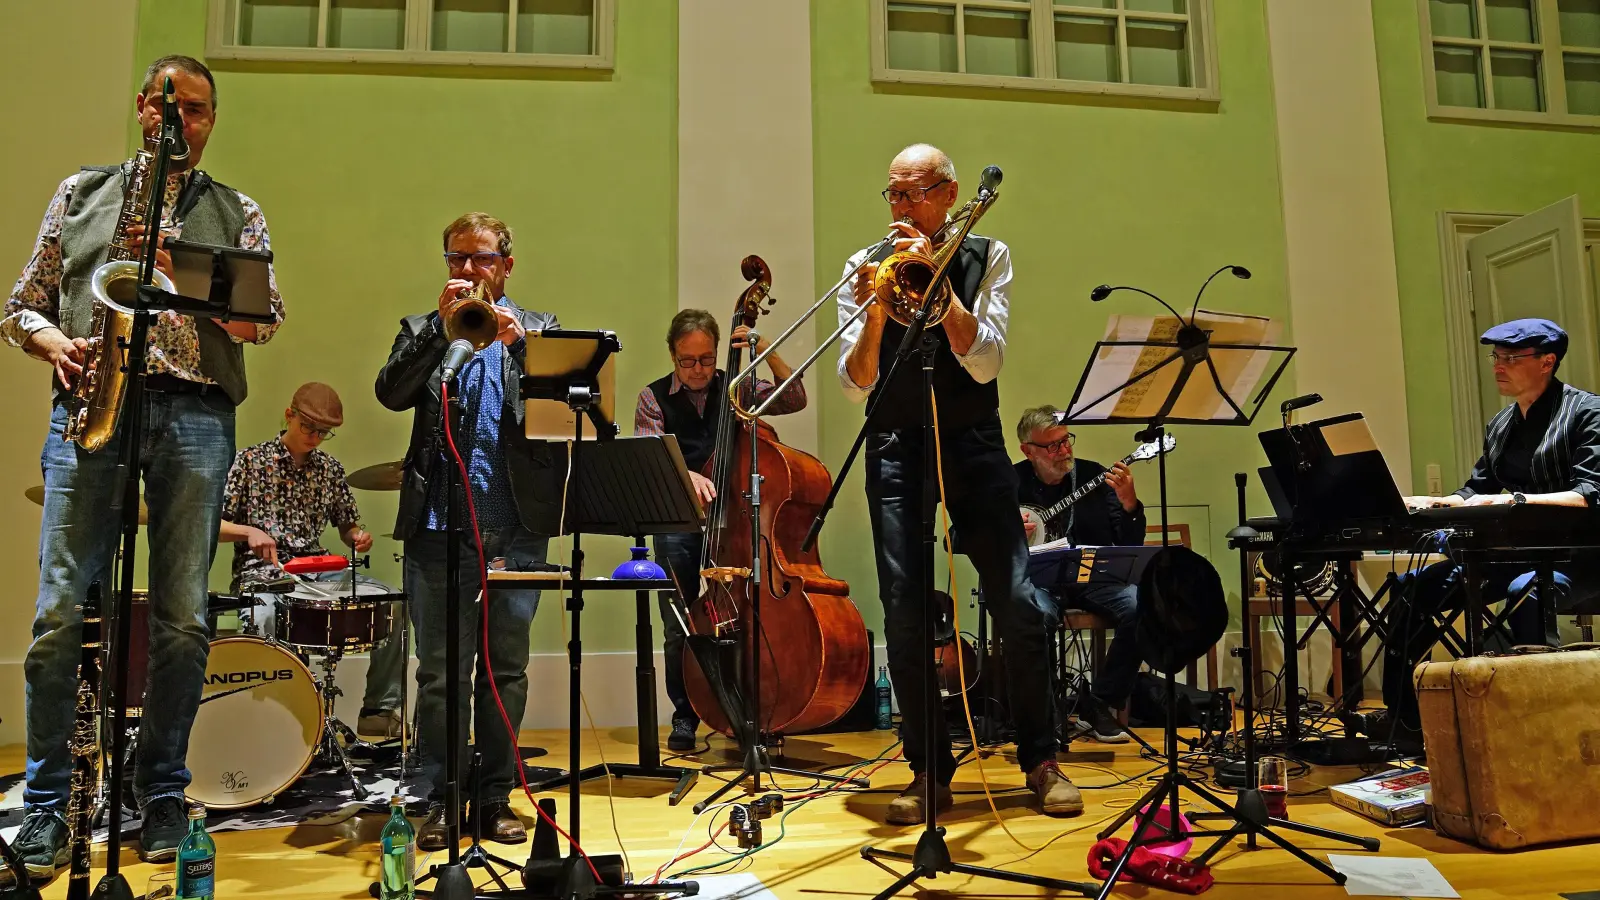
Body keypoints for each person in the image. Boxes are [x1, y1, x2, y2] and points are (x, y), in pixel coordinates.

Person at [1, 55, 283, 877]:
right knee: (59, 612)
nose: (180, 122)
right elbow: (21, 307)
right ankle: (48, 804)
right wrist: (54, 342)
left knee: (183, 617)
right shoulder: (81, 193)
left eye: (196, 110)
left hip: (196, 412)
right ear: (142, 109)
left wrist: (182, 265)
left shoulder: (237, 210)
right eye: (169, 106)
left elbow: (264, 319)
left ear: (211, 121)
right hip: (93, 402)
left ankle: (161, 788)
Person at [835, 144, 1081, 825]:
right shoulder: (864, 266)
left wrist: (941, 298)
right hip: (894, 442)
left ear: (948, 194)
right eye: (893, 193)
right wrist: (876, 314)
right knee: (905, 612)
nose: (900, 206)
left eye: (913, 193)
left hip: (972, 440)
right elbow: (854, 385)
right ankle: (929, 771)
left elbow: (986, 362)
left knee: (1018, 600)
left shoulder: (988, 254)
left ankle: (1041, 758)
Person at [375, 212, 562, 851]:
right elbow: (391, 393)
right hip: (436, 527)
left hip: (516, 531)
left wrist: (519, 347)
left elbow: (565, 408)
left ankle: (495, 798)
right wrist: (438, 329)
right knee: (439, 675)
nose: (467, 269)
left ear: (506, 265)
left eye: (480, 258)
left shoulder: (540, 329)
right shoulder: (422, 329)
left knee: (504, 670)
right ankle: (443, 799)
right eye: (456, 257)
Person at [1375, 318, 1600, 751]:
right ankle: (1405, 722)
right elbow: (1476, 489)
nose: (1498, 366)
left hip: (1578, 556)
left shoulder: (1587, 412)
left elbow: (1590, 493)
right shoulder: (1501, 424)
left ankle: (1539, 727)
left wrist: (1516, 500)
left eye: (1511, 358)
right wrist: (1436, 502)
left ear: (1547, 362)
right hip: (1510, 554)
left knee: (1526, 591)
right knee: (1409, 588)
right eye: (1496, 357)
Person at [633, 308, 808, 751]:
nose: (698, 370)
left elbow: (794, 397)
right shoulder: (652, 398)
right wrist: (686, 474)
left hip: (736, 522)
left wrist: (763, 349)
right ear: (672, 355)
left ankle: (748, 709)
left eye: (707, 360)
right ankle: (685, 714)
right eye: (687, 361)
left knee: (747, 615)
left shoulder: (738, 387)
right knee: (680, 622)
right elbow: (650, 459)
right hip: (679, 521)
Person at [217, 381, 405, 738]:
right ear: (289, 415)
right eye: (309, 428)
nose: (315, 438)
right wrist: (248, 532)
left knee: (391, 603)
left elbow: (347, 525)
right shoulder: (249, 461)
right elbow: (215, 525)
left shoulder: (330, 469)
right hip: (265, 574)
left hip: (318, 571)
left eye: (323, 433)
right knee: (264, 617)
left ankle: (378, 710)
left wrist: (357, 537)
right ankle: (270, 719)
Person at [1013, 405, 1146, 744]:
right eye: (1052, 446)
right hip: (1038, 581)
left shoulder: (1093, 477)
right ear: (1028, 450)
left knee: (1139, 607)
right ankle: (1046, 712)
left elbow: (1129, 543)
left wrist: (1130, 505)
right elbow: (959, 536)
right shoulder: (1009, 483)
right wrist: (1008, 531)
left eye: (1066, 440)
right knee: (1035, 614)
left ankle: (1099, 702)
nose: (1063, 450)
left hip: (1092, 579)